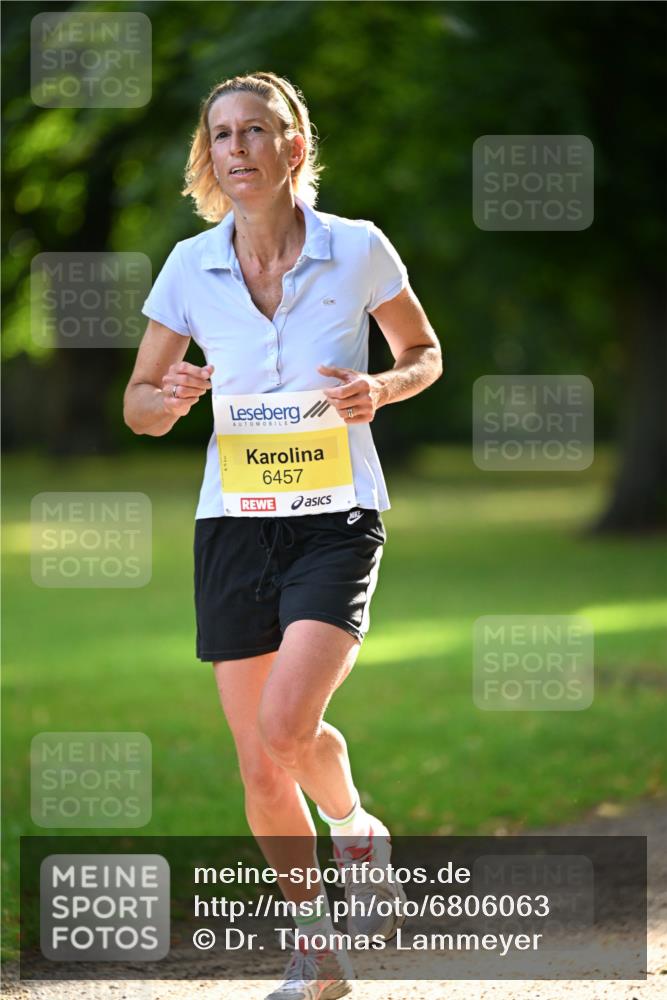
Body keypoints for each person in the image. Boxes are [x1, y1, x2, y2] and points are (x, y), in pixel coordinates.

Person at [124, 71, 442, 1000]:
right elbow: (139, 406)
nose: (237, 149)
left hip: (335, 521)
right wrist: (168, 398)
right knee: (261, 760)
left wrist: (379, 388)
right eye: (221, 135)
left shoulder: (356, 249)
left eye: (255, 131)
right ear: (210, 155)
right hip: (232, 528)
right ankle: (318, 940)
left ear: (292, 144)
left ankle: (349, 824)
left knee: (283, 724)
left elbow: (421, 354)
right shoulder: (189, 266)